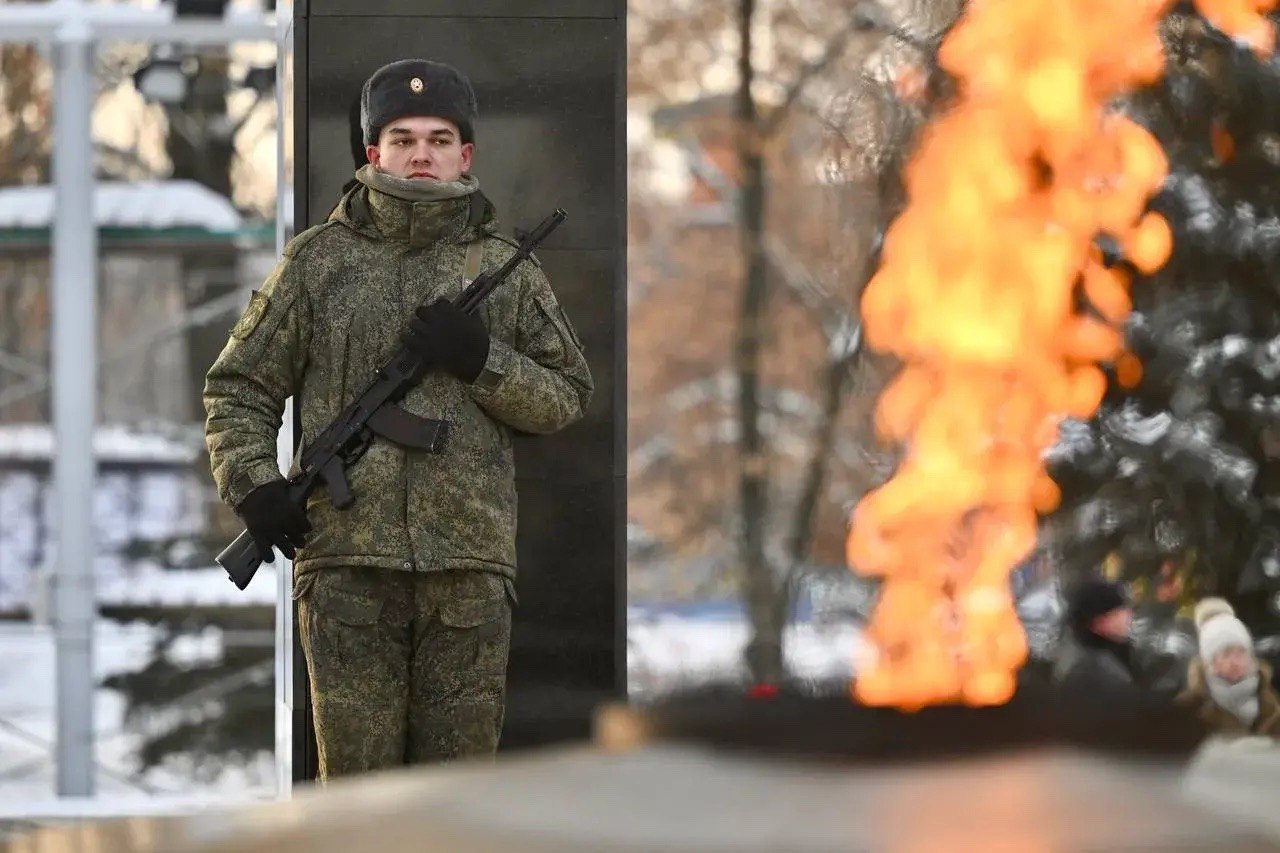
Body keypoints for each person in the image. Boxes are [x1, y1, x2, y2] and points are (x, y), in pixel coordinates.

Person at [204, 58, 593, 779]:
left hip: (467, 577)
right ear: (373, 152)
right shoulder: (318, 264)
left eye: (439, 139)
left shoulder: (504, 268)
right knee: (359, 805)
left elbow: (567, 394)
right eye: (403, 138)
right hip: (346, 572)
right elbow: (238, 387)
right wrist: (254, 486)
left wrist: (481, 360)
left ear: (465, 155)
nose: (421, 154)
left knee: (458, 803)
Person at [1051, 578, 1180, 705]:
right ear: (1100, 622)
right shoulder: (1091, 671)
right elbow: (1133, 704)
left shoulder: (1109, 648)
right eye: (1120, 609)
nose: (1128, 613)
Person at [1177, 598, 1280, 737]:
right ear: (1210, 662)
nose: (1235, 662)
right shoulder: (1192, 708)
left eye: (1241, 652)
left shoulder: (1268, 703)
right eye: (1226, 654)